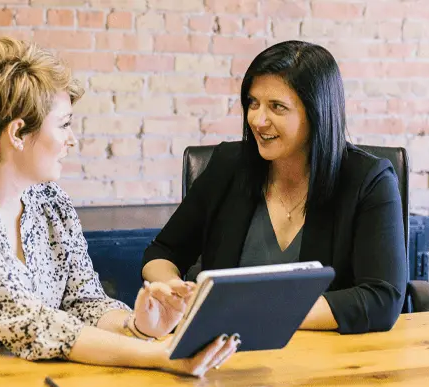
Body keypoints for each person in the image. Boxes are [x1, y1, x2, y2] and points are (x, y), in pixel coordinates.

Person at [0, 37, 237, 377]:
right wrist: (159, 355)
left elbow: (84, 301)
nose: (72, 140)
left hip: (13, 379)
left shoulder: (49, 201)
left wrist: (137, 327)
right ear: (17, 133)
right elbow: (31, 323)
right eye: (63, 125)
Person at [141, 40, 408, 334]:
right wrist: (172, 289)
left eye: (277, 107)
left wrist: (257, 312)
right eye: (253, 103)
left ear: (317, 113)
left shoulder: (369, 180)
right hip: (226, 355)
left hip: (328, 359)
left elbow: (381, 299)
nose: (258, 119)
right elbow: (162, 252)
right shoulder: (228, 166)